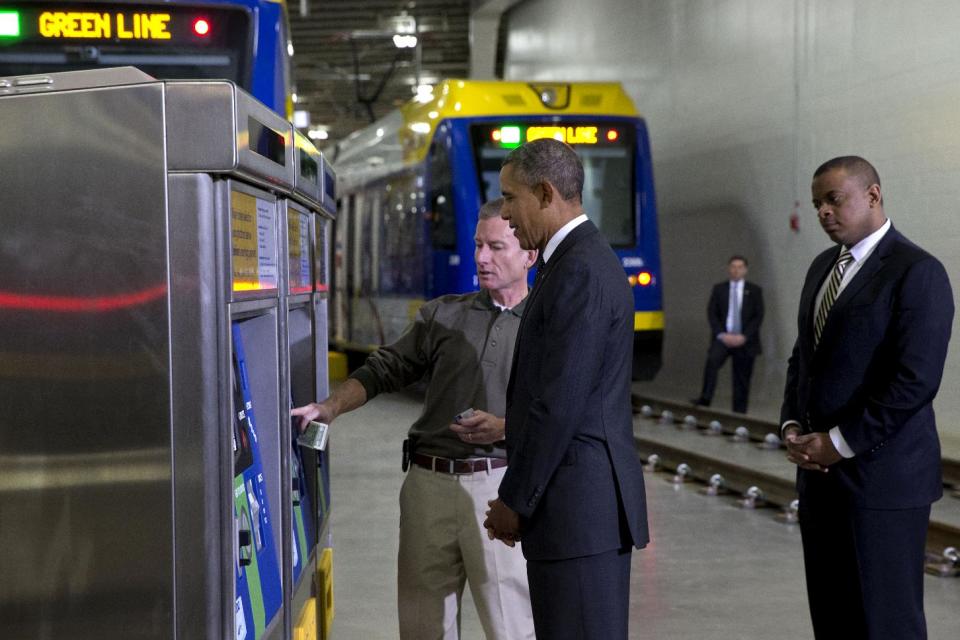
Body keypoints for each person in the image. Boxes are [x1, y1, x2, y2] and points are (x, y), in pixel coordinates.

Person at [292, 198, 537, 640]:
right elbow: (383, 368)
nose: (482, 257)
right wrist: (329, 407)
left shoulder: (546, 324)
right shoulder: (443, 314)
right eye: (478, 245)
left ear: (529, 254)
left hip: (501, 486)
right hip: (429, 485)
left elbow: (566, 413)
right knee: (423, 626)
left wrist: (505, 428)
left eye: (497, 247)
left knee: (513, 626)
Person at [780, 156, 953, 639]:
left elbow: (914, 381)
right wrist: (792, 425)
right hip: (820, 482)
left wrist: (839, 441)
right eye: (817, 204)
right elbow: (804, 358)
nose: (823, 213)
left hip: (883, 483)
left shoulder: (916, 271)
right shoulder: (822, 268)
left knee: (885, 621)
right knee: (834, 618)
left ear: (873, 195)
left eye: (833, 200)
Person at [483, 138, 648, 639]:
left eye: (511, 199)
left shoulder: (579, 271)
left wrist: (516, 499)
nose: (506, 215)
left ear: (546, 192)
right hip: (572, 513)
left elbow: (559, 404)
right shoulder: (569, 264)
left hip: (579, 513)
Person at [692, 255, 764, 413]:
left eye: (739, 267)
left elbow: (758, 316)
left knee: (741, 378)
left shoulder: (754, 291)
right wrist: (721, 334)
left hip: (744, 340)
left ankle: (739, 412)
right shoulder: (719, 289)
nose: (736, 270)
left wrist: (744, 336)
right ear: (728, 269)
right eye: (733, 267)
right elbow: (712, 313)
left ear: (745, 270)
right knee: (712, 362)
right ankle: (705, 398)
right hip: (723, 338)